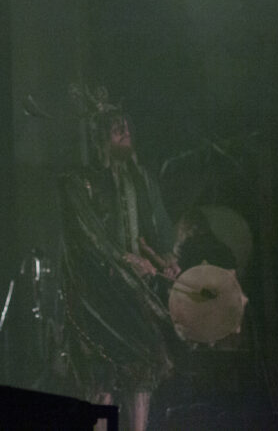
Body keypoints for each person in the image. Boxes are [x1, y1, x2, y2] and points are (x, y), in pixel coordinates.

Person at [59, 93, 178, 431]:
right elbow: (88, 235)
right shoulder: (80, 182)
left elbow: (158, 226)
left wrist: (167, 259)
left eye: (127, 127)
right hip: (98, 293)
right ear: (101, 138)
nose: (125, 133)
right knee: (102, 372)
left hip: (135, 293)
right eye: (116, 129)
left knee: (143, 365)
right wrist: (126, 261)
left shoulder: (141, 179)